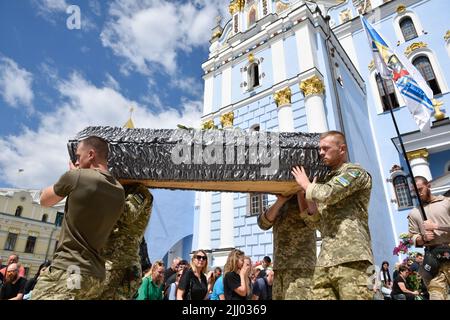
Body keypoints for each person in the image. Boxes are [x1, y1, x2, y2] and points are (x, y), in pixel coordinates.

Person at [32, 136, 125, 300]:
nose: (76, 160)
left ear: (91, 154)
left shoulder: (77, 177)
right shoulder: (119, 190)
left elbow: (44, 200)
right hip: (96, 276)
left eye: (78, 156)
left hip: (68, 269)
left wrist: (71, 174)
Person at [292, 130, 374, 300]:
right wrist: (306, 196)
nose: (321, 153)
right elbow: (315, 223)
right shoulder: (323, 181)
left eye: (326, 148)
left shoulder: (355, 172)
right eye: (319, 149)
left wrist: (307, 185)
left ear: (342, 149)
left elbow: (329, 193)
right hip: (326, 259)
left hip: (353, 257)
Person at [257, 190, 317, 300]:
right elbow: (263, 223)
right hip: (280, 268)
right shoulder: (278, 205)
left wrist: (300, 193)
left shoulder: (310, 200)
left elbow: (313, 222)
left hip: (301, 268)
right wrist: (280, 201)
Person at [99, 184, 153, 300]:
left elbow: (128, 213)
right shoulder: (119, 191)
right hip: (109, 263)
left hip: (123, 266)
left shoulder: (141, 192)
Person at [408, 176, 450, 300]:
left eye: (420, 189)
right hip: (433, 261)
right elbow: (412, 237)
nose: (418, 193)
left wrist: (437, 226)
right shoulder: (414, 213)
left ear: (429, 186)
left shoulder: (446, 202)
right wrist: (423, 238)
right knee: (435, 296)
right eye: (415, 191)